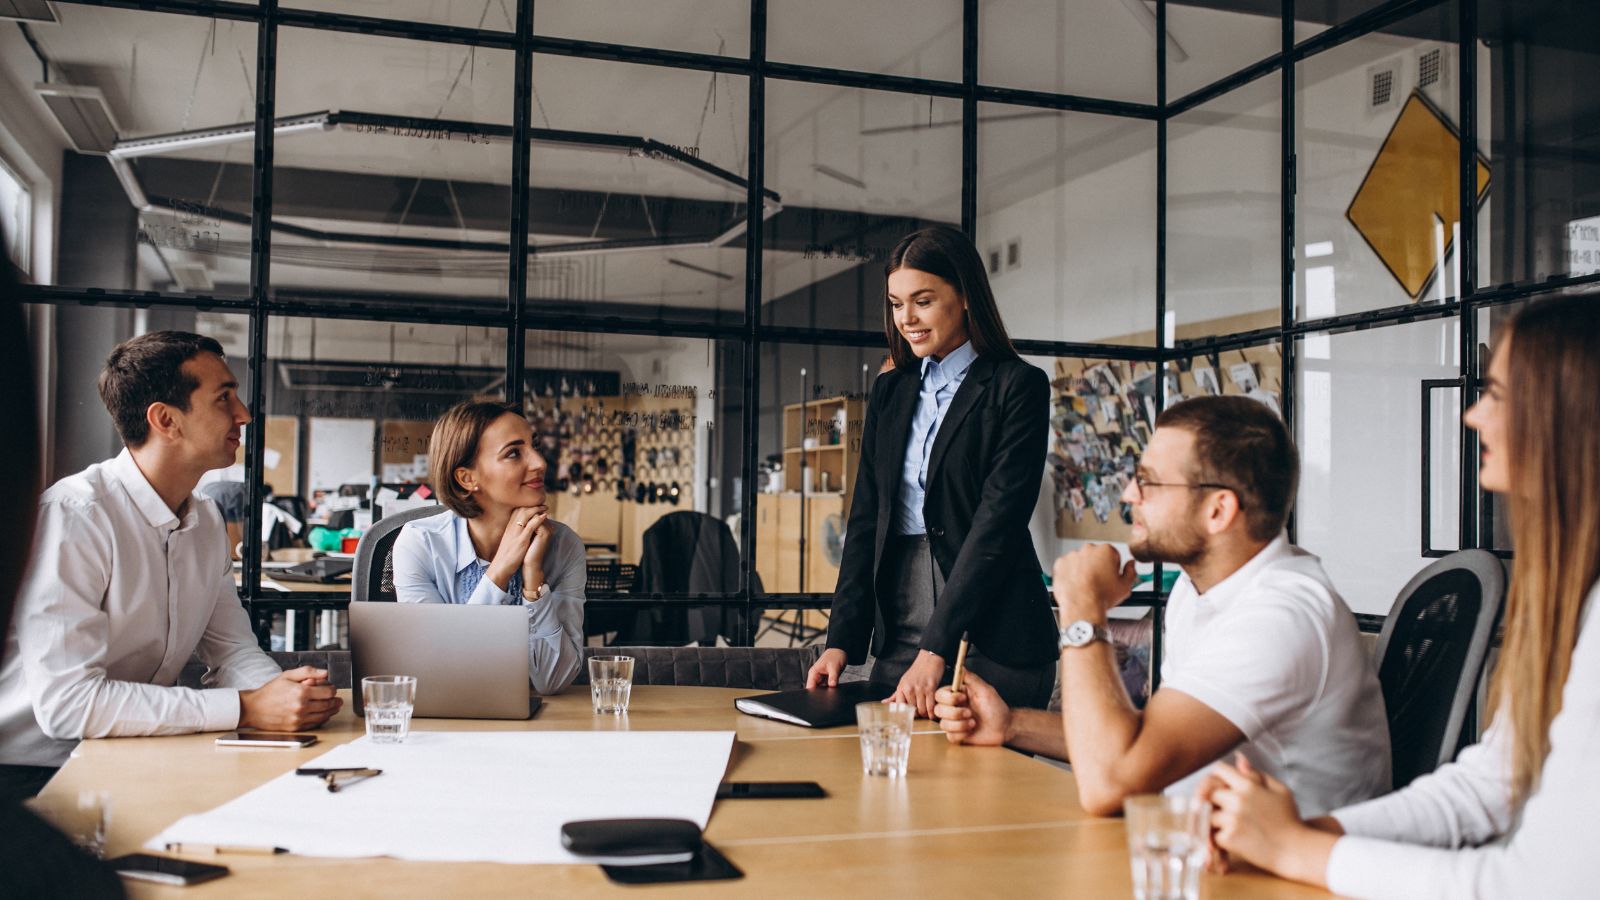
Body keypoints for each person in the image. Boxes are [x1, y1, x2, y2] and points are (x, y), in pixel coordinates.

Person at [1201, 295, 1600, 898]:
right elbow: (1486, 788)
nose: (1472, 416)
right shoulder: (1570, 597)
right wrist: (1296, 834)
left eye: (1496, 393)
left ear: (1565, 414)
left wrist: (1296, 848)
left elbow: (1536, 886)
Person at [935, 396, 1390, 817]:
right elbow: (1142, 744)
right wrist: (1011, 725)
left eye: (1148, 482)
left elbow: (1109, 783)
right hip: (1201, 852)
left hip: (1285, 878)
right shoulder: (1198, 591)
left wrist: (1082, 609)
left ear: (1218, 510)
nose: (1130, 496)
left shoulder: (1281, 616)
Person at [0, 331, 341, 803]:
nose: (243, 414)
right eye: (224, 398)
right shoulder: (75, 517)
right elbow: (69, 706)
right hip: (30, 776)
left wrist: (283, 696)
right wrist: (246, 708)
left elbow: (234, 652)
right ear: (165, 419)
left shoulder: (204, 521)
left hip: (130, 754)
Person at [806, 224, 1058, 715]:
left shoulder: (1018, 386)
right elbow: (866, 519)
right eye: (897, 304)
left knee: (979, 787)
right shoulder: (891, 390)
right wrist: (841, 639)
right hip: (901, 618)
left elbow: (996, 526)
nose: (907, 318)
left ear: (965, 296)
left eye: (922, 300)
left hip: (995, 627)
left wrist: (936, 648)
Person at [390, 401, 584, 695]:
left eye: (534, 446)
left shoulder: (563, 545)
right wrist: (500, 571)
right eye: (514, 453)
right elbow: (446, 672)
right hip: (447, 722)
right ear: (467, 478)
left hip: (540, 727)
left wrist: (533, 579)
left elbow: (553, 681)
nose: (539, 463)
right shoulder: (420, 544)